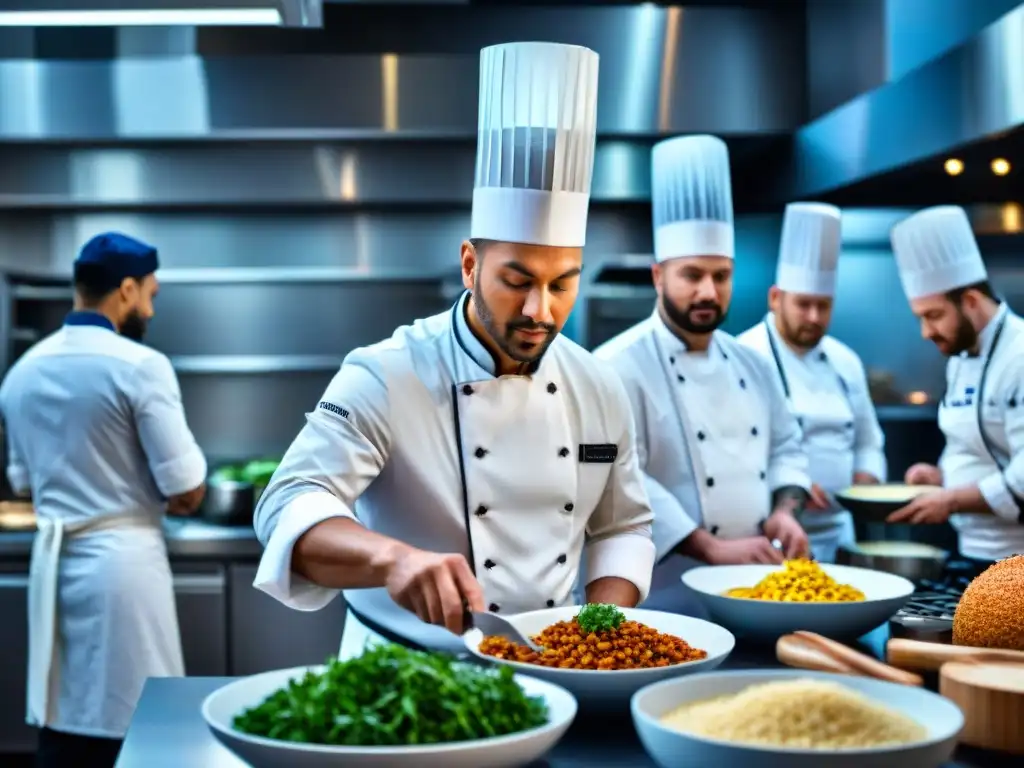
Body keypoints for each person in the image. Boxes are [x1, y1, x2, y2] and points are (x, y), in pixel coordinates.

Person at [251, 42, 655, 659]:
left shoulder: (597, 384)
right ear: (470, 264)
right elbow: (286, 504)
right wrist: (391, 559)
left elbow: (623, 525)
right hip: (400, 674)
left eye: (562, 283)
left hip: (555, 670)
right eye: (516, 281)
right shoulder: (387, 373)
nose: (539, 311)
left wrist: (594, 636)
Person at [0, 232, 207, 768]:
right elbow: (187, 490)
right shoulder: (140, 366)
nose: (151, 309)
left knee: (63, 721)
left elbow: (23, 485)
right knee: (143, 727)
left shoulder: (21, 373)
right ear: (125, 288)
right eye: (151, 295)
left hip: (55, 569)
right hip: (124, 571)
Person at [593, 134, 811, 594]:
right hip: (659, 588)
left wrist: (784, 510)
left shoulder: (753, 362)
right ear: (658, 275)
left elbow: (788, 445)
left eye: (721, 276)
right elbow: (609, 469)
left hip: (756, 581)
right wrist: (705, 545)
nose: (709, 292)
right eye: (692, 275)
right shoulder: (613, 365)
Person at [738, 203, 887, 563]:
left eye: (824, 306)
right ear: (775, 298)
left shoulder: (845, 360)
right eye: (804, 304)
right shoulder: (744, 355)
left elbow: (868, 440)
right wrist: (795, 489)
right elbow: (738, 456)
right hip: (773, 536)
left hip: (840, 532)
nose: (814, 317)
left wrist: (866, 479)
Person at [887, 205, 1024, 565]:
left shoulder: (1019, 355)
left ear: (970, 301)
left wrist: (950, 500)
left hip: (1016, 561)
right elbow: (978, 450)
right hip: (970, 550)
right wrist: (941, 477)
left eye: (933, 316)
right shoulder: (961, 358)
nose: (926, 332)